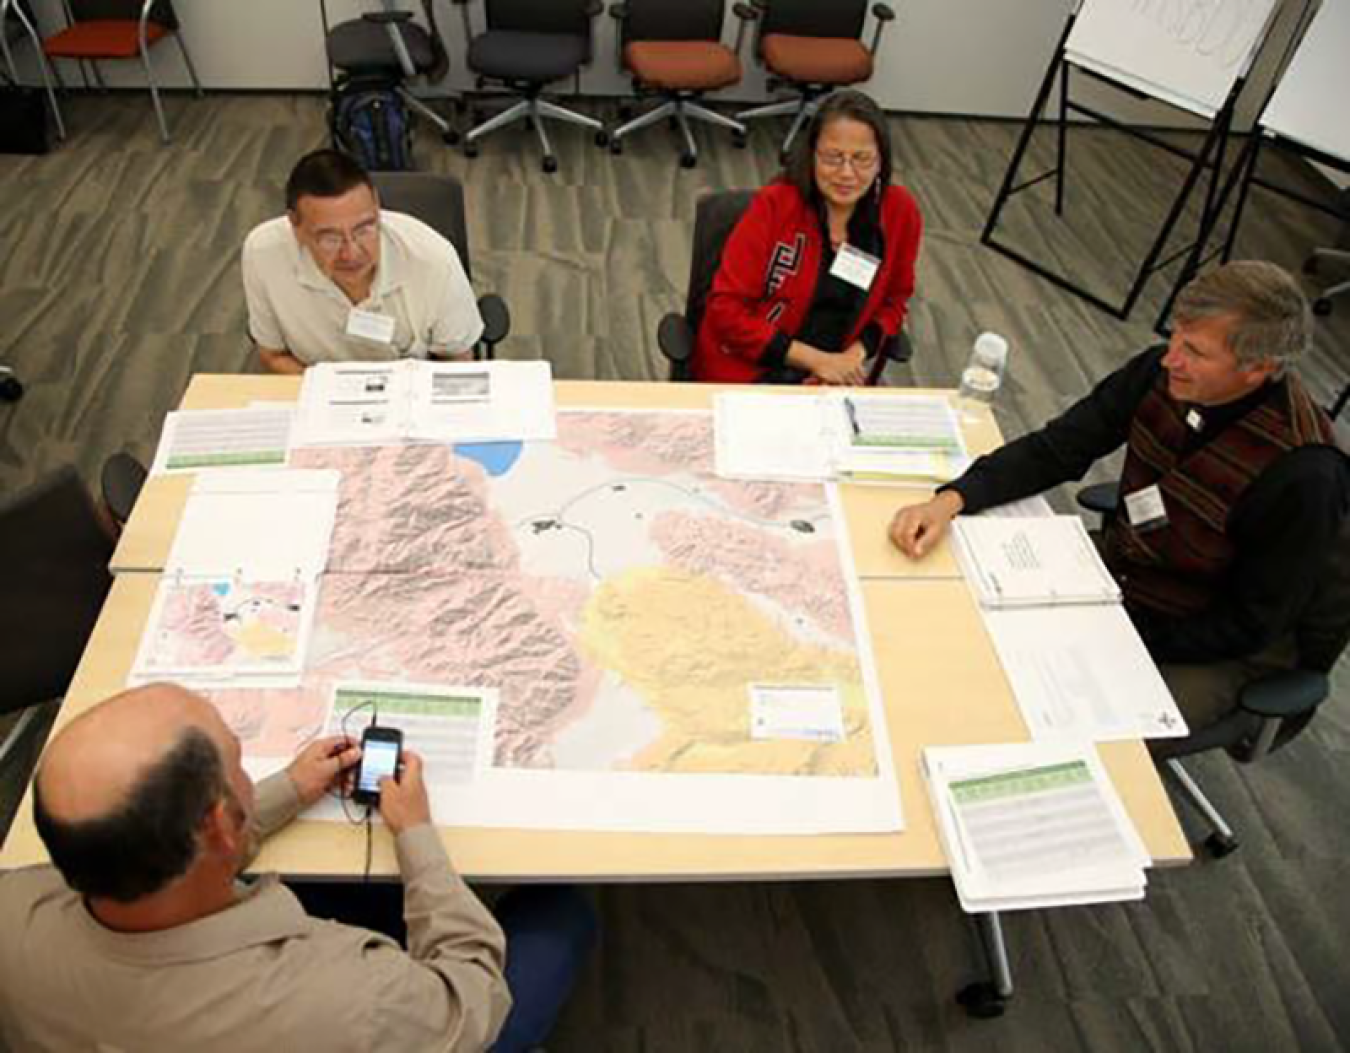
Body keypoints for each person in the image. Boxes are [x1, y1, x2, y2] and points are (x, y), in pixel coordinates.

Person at [0, 683, 596, 1052]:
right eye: (236, 763)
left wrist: (286, 789)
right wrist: (415, 834)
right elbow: (469, 1000)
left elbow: (175, 864)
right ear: (217, 824)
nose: (244, 773)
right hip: (421, 1019)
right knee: (561, 909)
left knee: (370, 898)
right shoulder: (355, 998)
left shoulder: (13, 909)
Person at [888, 261, 1349, 735]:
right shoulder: (1159, 372)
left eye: (1194, 351)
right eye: (1175, 336)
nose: (1171, 358)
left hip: (1215, 639)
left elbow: (1250, 623)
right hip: (1131, 574)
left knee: (1076, 731)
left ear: (1260, 369)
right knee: (954, 611)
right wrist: (953, 498)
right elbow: (1058, 448)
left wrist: (1117, 639)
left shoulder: (1304, 474)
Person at [692, 89, 922, 385]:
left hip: (837, 377)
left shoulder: (900, 212)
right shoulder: (775, 206)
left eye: (862, 159)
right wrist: (818, 361)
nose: (847, 173)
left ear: (881, 162)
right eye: (832, 157)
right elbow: (726, 311)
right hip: (753, 370)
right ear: (811, 154)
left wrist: (853, 356)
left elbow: (894, 300)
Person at [242, 149, 483, 374]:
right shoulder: (263, 253)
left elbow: (457, 364)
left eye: (363, 229)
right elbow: (273, 355)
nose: (351, 253)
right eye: (330, 238)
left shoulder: (434, 261)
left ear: (377, 206)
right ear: (295, 225)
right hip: (316, 391)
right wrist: (326, 396)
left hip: (409, 395)